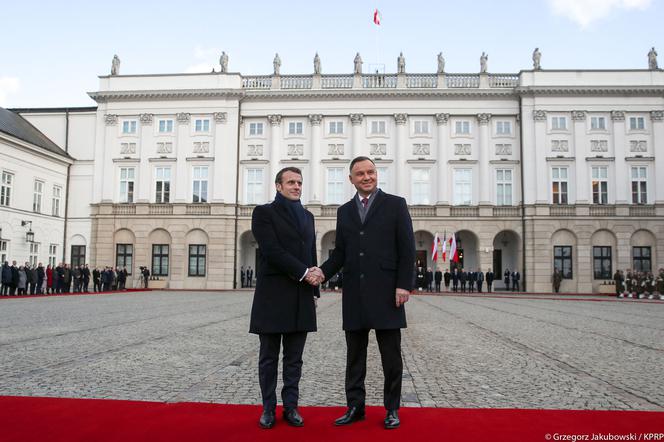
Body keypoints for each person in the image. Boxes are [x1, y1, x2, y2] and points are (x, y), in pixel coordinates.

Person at [316, 156, 415, 430]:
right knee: (355, 356)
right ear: (351, 179)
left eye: (370, 172)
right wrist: (322, 272)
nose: (366, 177)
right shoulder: (344, 211)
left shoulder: (396, 204)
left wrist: (404, 285)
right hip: (355, 293)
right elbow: (341, 253)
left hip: (387, 293)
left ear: (376, 174)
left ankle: (392, 408)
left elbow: (407, 248)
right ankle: (355, 407)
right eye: (360, 174)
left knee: (391, 357)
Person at [249, 167, 319, 429]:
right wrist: (304, 273)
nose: (297, 186)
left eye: (299, 182)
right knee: (268, 357)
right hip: (273, 294)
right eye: (291, 182)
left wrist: (313, 290)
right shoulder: (263, 213)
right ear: (278, 186)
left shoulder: (308, 216)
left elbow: (310, 252)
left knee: (294, 358)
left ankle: (291, 407)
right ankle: (268, 408)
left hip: (301, 295)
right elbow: (271, 250)